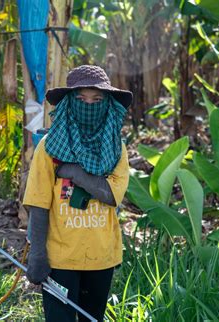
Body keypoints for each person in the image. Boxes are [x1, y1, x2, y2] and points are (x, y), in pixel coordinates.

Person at [23, 65, 132, 322]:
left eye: (96, 100)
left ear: (107, 105)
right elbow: (38, 204)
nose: (89, 106)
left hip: (101, 257)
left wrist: (75, 172)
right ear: (70, 103)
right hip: (59, 259)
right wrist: (37, 254)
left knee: (92, 318)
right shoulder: (49, 148)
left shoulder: (117, 149)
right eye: (81, 99)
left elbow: (110, 195)